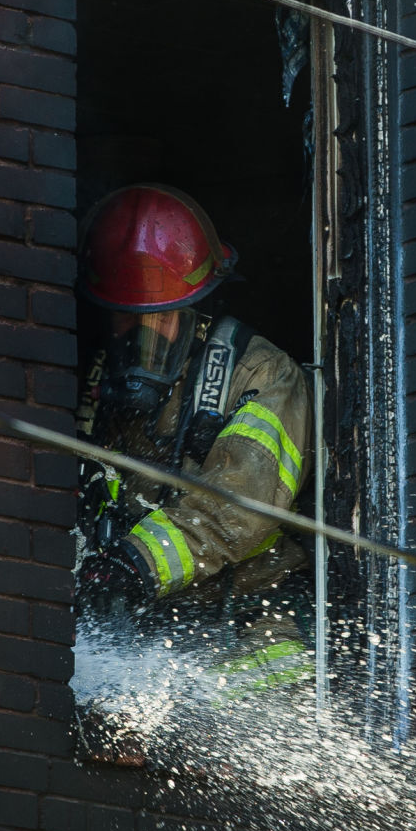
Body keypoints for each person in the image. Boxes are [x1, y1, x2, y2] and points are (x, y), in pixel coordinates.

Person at [74, 183, 314, 697]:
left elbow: (239, 507)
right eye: (128, 317)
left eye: (161, 317)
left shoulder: (260, 374)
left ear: (196, 309)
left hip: (253, 626)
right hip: (152, 630)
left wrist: (133, 563)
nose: (144, 335)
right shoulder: (94, 387)